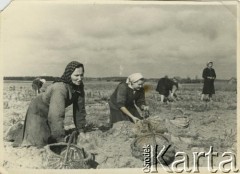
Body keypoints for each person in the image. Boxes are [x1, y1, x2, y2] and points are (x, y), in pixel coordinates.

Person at [14, 61, 87, 148]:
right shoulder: (60, 89)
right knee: (38, 143)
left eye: (81, 75)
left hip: (52, 109)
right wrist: (60, 139)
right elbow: (56, 115)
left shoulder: (79, 86)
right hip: (38, 109)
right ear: (69, 75)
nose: (80, 78)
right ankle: (16, 130)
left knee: (49, 136)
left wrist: (81, 130)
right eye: (76, 75)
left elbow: (80, 109)